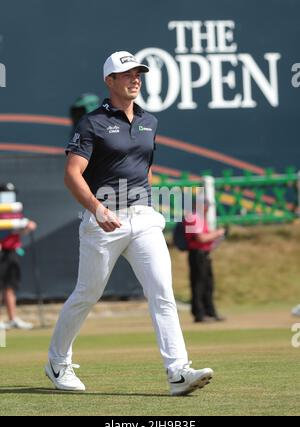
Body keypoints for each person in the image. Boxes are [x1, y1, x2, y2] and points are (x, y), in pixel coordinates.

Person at [45, 50, 214, 395]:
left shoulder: (150, 121)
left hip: (144, 219)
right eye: (127, 74)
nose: (135, 79)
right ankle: (57, 362)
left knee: (162, 293)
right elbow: (71, 174)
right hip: (103, 220)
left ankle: (177, 371)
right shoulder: (91, 123)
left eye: (139, 73)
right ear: (109, 81)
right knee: (86, 295)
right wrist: (96, 208)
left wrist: (149, 209)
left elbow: (145, 170)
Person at [0, 183, 37, 330]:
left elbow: (18, 232)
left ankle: (12, 319)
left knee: (10, 286)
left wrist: (27, 228)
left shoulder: (15, 210)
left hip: (12, 252)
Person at [184, 200, 226, 323]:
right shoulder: (193, 217)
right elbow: (200, 238)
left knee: (208, 284)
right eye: (206, 206)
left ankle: (210, 312)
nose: (208, 209)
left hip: (204, 254)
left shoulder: (201, 218)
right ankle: (199, 314)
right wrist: (218, 233)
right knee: (198, 284)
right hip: (197, 254)